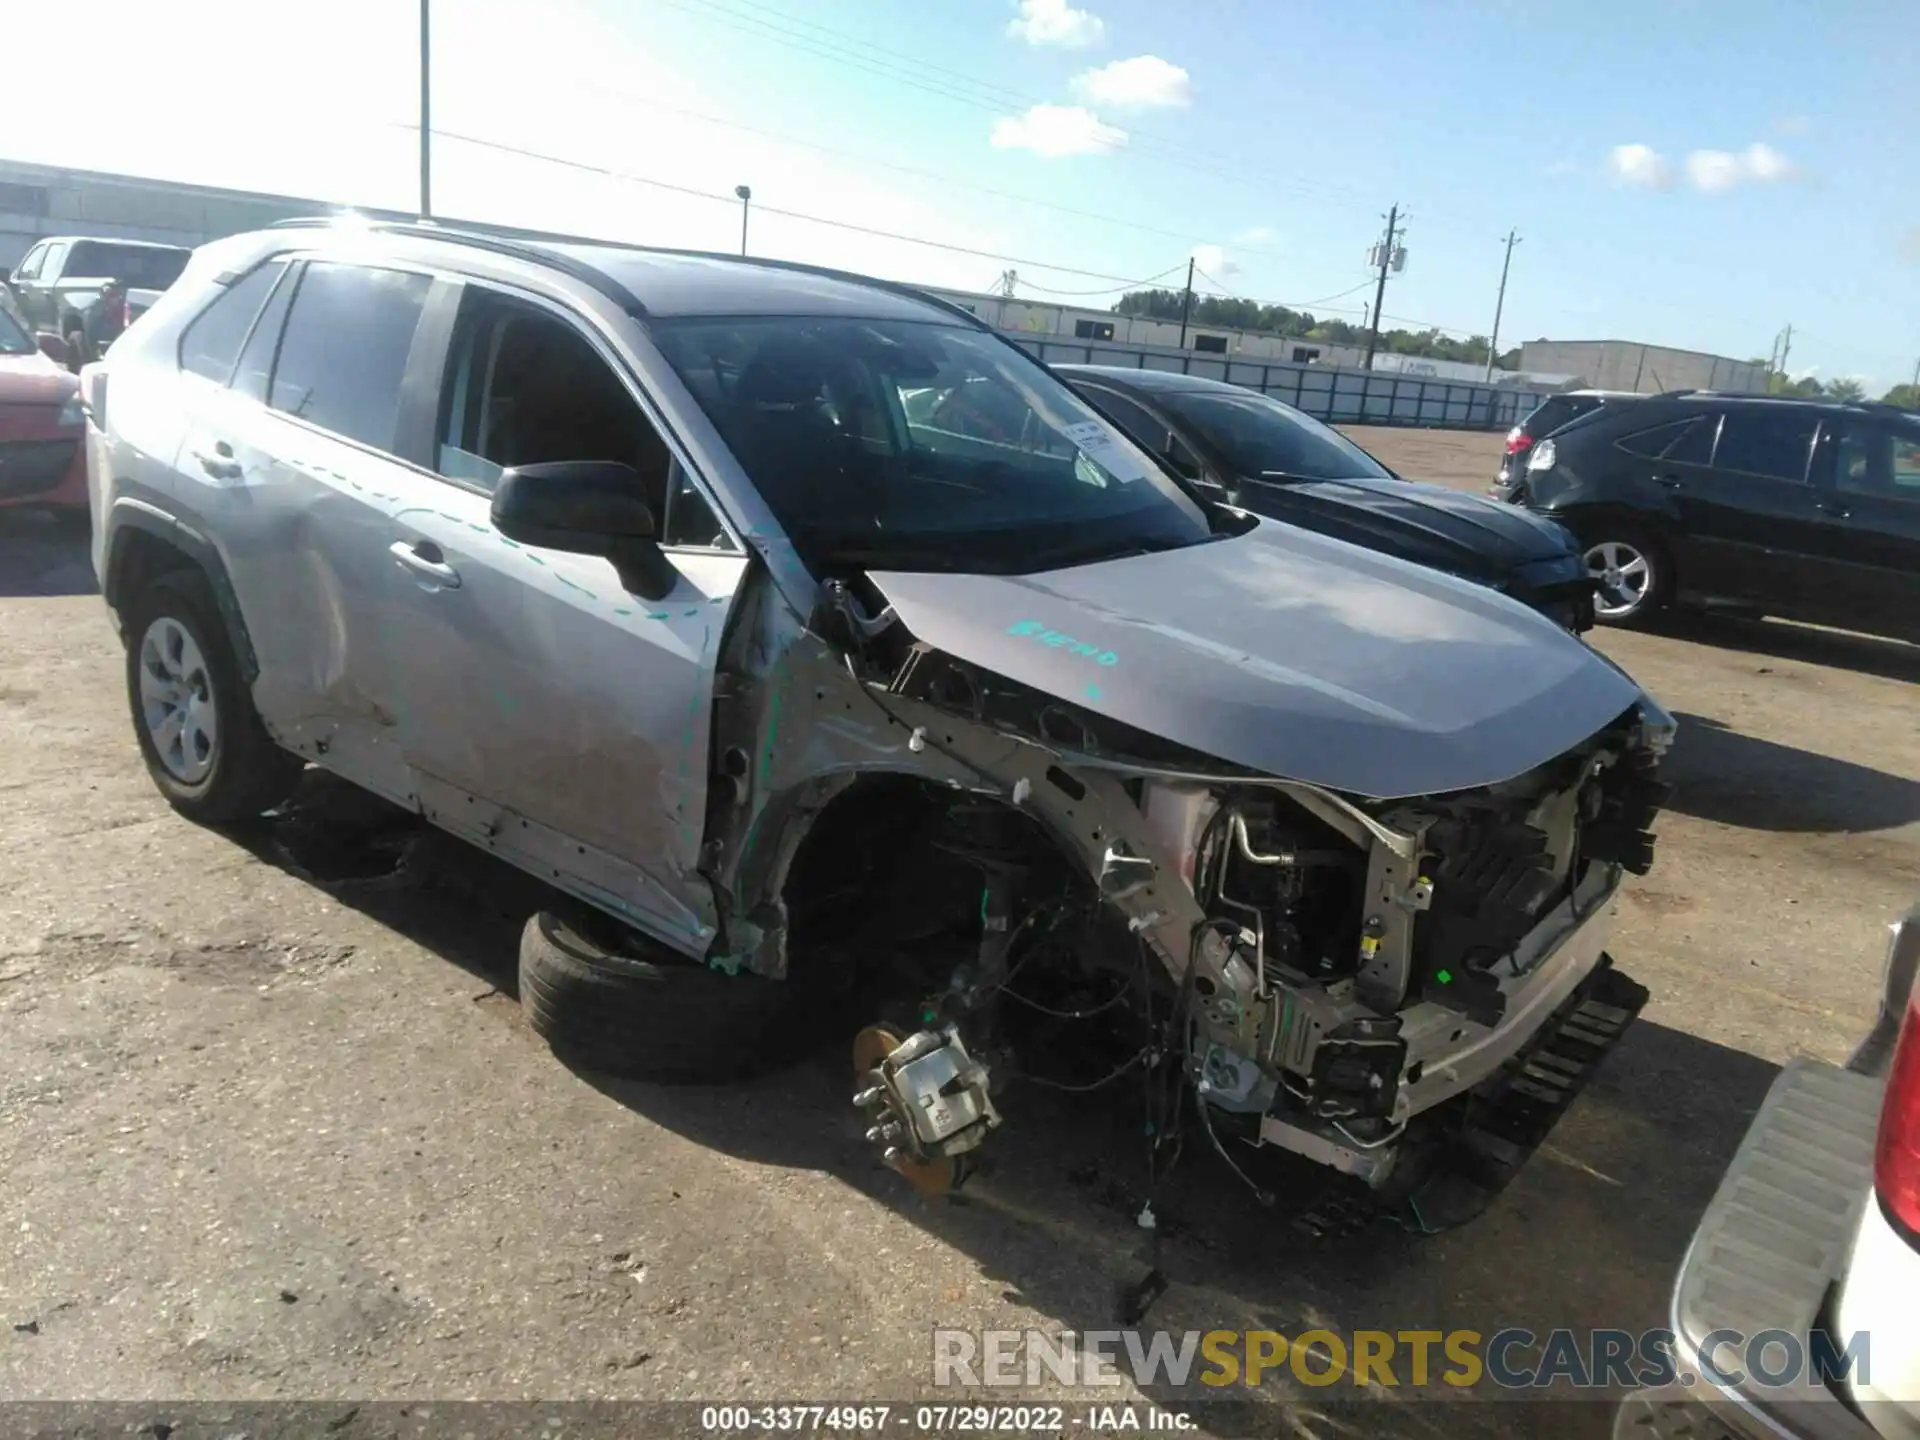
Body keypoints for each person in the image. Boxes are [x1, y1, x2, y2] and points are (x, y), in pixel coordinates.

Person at [80, 279, 128, 362]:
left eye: (116, 295)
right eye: (113, 296)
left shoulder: (123, 306)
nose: (116, 299)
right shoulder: (96, 307)